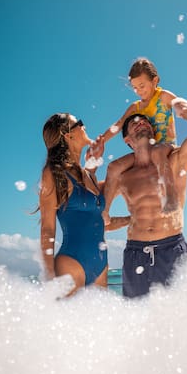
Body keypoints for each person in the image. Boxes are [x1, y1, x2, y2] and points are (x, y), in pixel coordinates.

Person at [104, 100, 187, 298]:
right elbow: (98, 219)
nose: (141, 122)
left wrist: (185, 112)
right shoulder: (122, 177)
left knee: (181, 319)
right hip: (135, 254)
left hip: (171, 250)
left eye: (145, 121)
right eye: (134, 123)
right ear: (127, 140)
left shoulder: (174, 161)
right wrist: (129, 221)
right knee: (136, 320)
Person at [39, 113, 130, 296]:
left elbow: (96, 221)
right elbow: (48, 229)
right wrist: (49, 276)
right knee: (67, 323)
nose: (84, 126)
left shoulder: (88, 175)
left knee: (99, 324)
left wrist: (135, 219)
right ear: (67, 135)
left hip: (100, 265)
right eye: (79, 123)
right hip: (71, 263)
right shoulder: (53, 173)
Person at [101, 57, 187, 224]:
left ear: (155, 80)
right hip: (144, 150)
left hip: (166, 146)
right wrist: (101, 141)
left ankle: (171, 197)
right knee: (114, 166)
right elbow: (119, 124)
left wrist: (184, 108)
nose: (138, 91)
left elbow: (178, 103)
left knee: (157, 152)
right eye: (135, 88)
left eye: (142, 86)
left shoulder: (163, 96)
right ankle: (105, 211)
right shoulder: (135, 107)